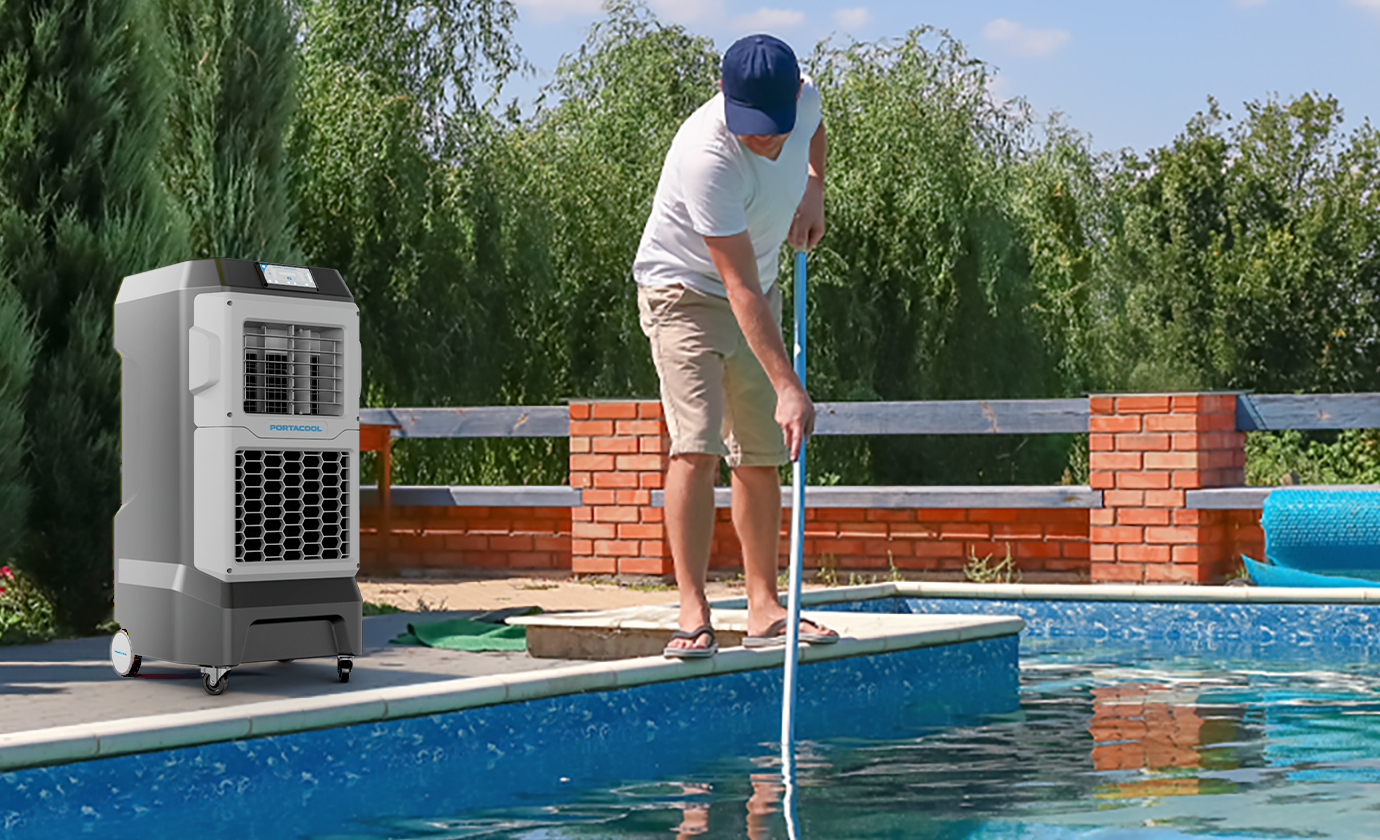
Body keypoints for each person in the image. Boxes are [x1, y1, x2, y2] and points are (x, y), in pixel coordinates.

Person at [633, 33, 837, 657]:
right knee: (696, 446)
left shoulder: (803, 103)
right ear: (724, 95)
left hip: (761, 291)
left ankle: (764, 607)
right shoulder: (705, 153)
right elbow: (737, 284)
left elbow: (815, 129)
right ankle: (693, 611)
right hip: (685, 291)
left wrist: (813, 186)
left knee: (760, 452)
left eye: (774, 126)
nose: (766, 139)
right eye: (752, 127)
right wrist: (788, 385)